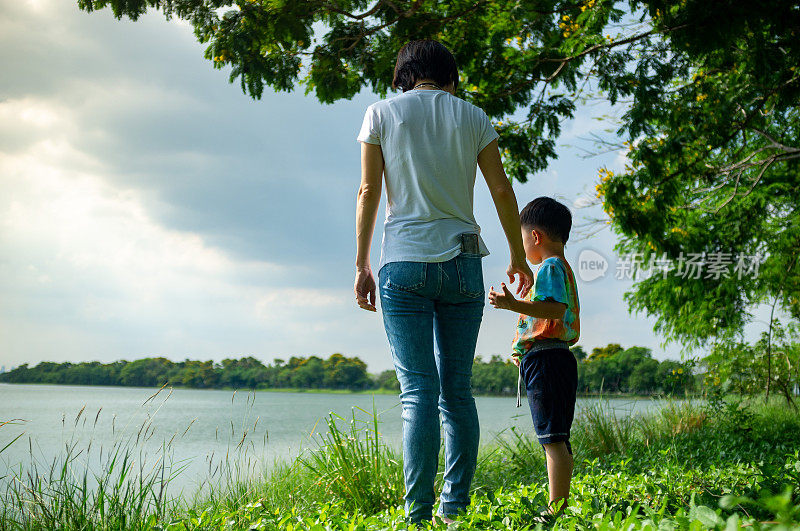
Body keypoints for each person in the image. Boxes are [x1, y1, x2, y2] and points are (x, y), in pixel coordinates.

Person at [353, 39, 534, 524]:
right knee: (457, 391)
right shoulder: (472, 116)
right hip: (463, 262)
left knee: (418, 394)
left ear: (403, 75)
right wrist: (518, 255)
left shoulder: (380, 114)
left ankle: (415, 517)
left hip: (403, 264)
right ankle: (452, 511)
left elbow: (370, 190)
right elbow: (501, 187)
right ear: (449, 75)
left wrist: (361, 263)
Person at [487, 196, 581, 516]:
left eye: (523, 238)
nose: (522, 246)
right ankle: (559, 503)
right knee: (554, 435)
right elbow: (542, 313)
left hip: (548, 360)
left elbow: (553, 309)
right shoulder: (554, 269)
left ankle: (557, 509)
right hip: (546, 359)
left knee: (552, 438)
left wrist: (512, 303)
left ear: (535, 237)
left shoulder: (551, 266)